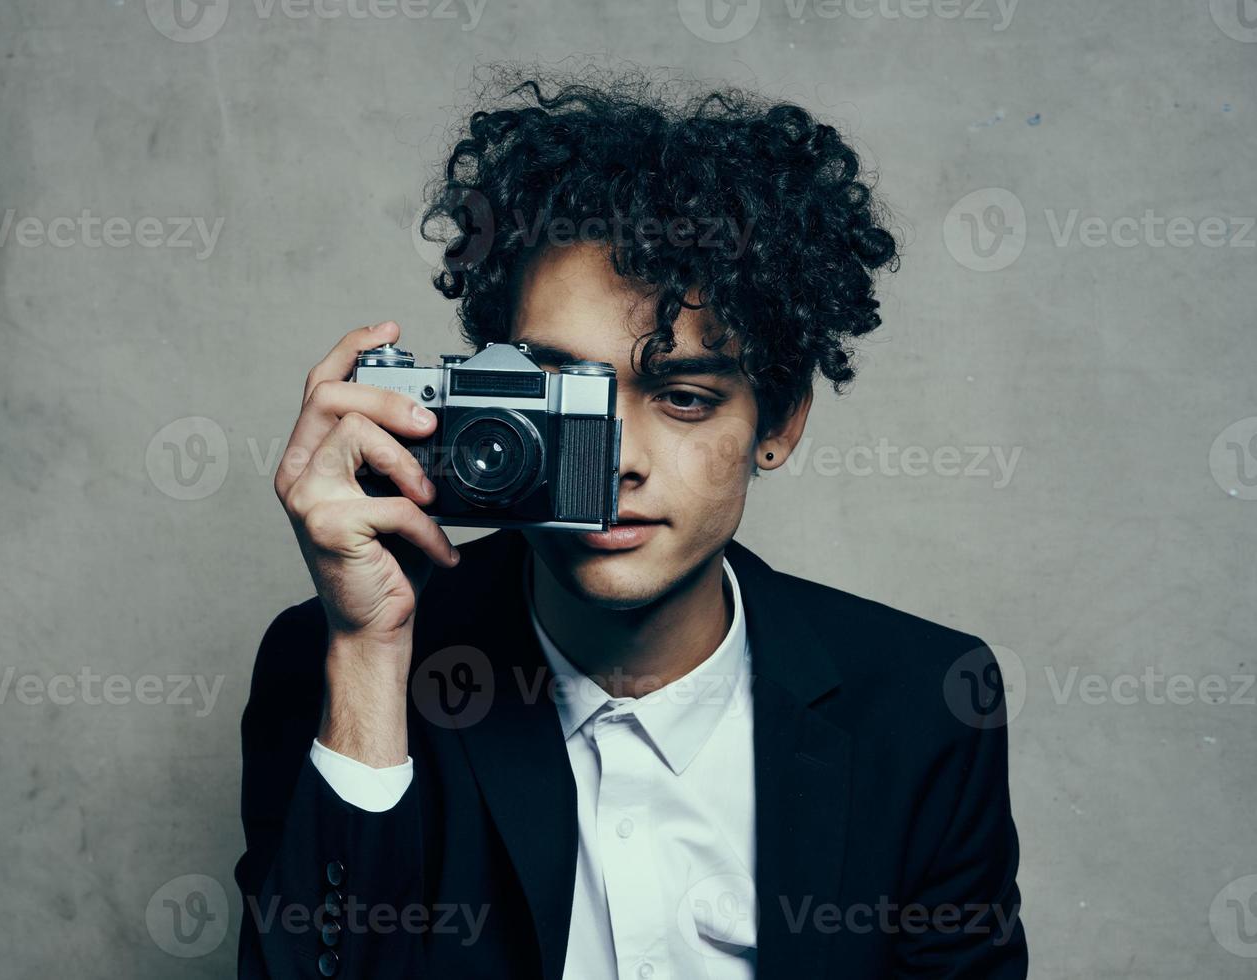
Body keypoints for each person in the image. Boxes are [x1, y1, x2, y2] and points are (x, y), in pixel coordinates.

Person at [235, 71, 1028, 979]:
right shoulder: (338, 660)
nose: (616, 458)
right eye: (564, 399)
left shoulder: (924, 702)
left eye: (684, 398)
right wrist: (369, 657)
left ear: (778, 423)